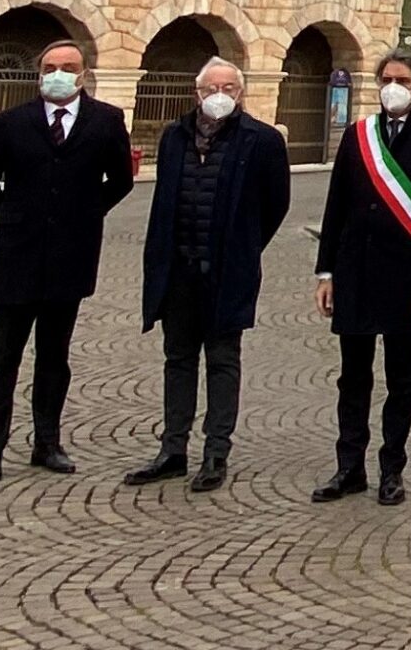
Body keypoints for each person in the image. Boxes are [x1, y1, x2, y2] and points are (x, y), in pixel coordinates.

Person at [0, 40, 134, 484]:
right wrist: (14, 218)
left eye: (67, 67)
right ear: (39, 73)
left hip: (70, 258)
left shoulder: (106, 121)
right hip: (17, 257)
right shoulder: (12, 122)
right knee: (4, 358)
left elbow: (120, 180)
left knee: (54, 357)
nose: (57, 73)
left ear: (83, 74)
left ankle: (47, 441)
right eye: (49, 67)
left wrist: (83, 214)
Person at [123, 56, 291, 493]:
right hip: (178, 269)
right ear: (197, 93)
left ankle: (216, 450)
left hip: (226, 271)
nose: (220, 96)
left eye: (229, 89)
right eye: (211, 89)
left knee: (222, 361)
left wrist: (245, 247)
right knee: (177, 360)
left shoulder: (262, 140)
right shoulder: (174, 136)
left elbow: (276, 205)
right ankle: (172, 449)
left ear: (241, 93)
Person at [312, 47, 411, 507]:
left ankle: (391, 468)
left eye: (401, 79)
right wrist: (326, 272)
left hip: (406, 276)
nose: (391, 87)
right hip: (355, 270)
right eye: (385, 79)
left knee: (401, 375)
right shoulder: (359, 135)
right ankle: (349, 466)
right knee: (352, 376)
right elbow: (335, 205)